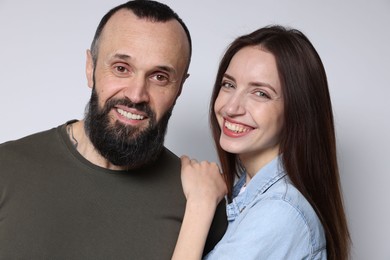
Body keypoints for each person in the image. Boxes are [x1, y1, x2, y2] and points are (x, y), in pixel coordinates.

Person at [0, 1, 227, 259]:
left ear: (180, 88)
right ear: (90, 67)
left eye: (159, 77)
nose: (136, 94)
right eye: (121, 68)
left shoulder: (203, 201)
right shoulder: (6, 167)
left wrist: (201, 206)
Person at [172, 25, 350, 260]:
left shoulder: (279, 212)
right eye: (229, 85)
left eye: (261, 93)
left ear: (298, 111)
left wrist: (200, 204)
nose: (231, 107)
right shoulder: (250, 194)